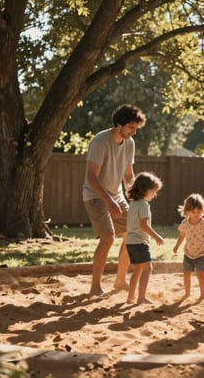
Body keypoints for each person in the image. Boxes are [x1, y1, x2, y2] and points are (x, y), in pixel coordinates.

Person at [83, 104, 146, 296]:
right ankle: (95, 287)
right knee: (108, 238)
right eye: (131, 128)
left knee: (132, 234)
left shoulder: (129, 143)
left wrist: (136, 198)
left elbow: (128, 176)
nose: (134, 132)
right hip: (95, 195)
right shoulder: (100, 142)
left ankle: (120, 281)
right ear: (119, 124)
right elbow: (92, 177)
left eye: (136, 128)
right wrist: (109, 202)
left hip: (116, 195)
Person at [126, 171, 164, 304]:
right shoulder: (143, 205)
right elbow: (144, 225)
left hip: (130, 242)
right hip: (140, 242)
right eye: (153, 191)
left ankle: (131, 297)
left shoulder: (133, 203)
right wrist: (156, 236)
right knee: (148, 269)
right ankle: (141, 298)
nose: (155, 194)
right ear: (145, 189)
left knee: (137, 270)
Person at [173, 193, 204, 301]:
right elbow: (182, 235)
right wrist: (177, 246)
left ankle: (203, 294)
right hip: (188, 253)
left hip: (201, 254)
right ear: (187, 211)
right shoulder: (185, 223)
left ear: (203, 210)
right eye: (193, 212)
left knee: (200, 274)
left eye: (199, 211)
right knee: (186, 273)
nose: (196, 214)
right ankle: (187, 293)